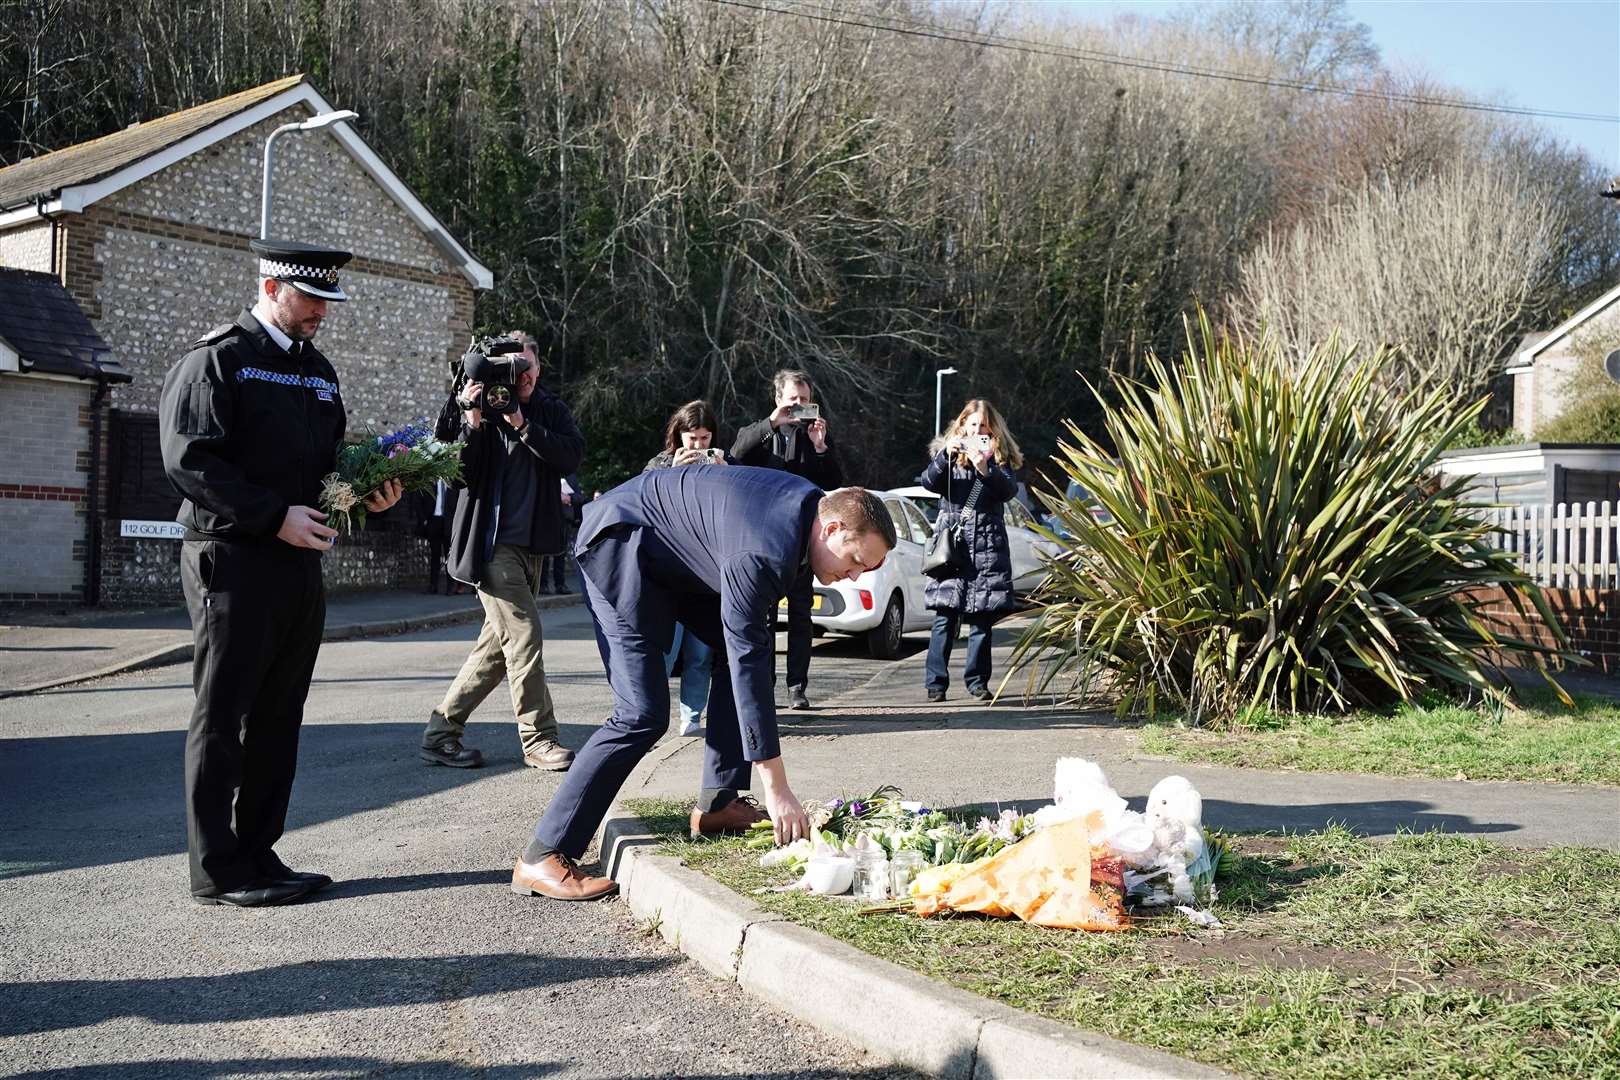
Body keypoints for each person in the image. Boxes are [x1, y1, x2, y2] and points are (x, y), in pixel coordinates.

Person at [510, 470, 897, 900]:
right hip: (619, 545)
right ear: (832, 529)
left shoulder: (806, 513)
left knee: (749, 664)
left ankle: (717, 802)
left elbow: (748, 654)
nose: (856, 574)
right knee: (641, 712)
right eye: (857, 560)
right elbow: (744, 653)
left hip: (675, 560)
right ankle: (544, 852)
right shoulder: (763, 549)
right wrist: (777, 787)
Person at [159, 239, 403, 908]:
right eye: (311, 298)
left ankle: (259, 853)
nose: (322, 311)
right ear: (271, 289)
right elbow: (190, 461)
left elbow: (326, 470)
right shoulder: (217, 361)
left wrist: (370, 495)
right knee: (223, 716)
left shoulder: (317, 371)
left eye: (328, 300)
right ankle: (218, 870)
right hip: (233, 560)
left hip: (298, 565)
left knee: (277, 717)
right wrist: (272, 517)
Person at [418, 329, 585, 772]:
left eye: (526, 366)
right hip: (489, 547)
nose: (521, 376)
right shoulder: (476, 409)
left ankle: (441, 733)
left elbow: (571, 457)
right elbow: (454, 475)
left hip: (532, 546)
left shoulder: (547, 408)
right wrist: (472, 419)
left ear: (538, 366)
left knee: (497, 651)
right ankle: (539, 740)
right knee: (526, 635)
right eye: (512, 369)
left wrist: (523, 423)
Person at [730, 368, 843, 711]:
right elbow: (734, 455)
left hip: (803, 540)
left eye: (805, 401)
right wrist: (771, 423)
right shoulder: (760, 433)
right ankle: (766, 684)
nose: (798, 406)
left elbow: (836, 482)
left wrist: (821, 448)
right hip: (762, 537)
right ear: (778, 399)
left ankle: (798, 688)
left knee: (800, 616)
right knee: (763, 617)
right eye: (792, 400)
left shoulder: (816, 435)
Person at [917, 399, 1025, 703]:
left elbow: (1008, 492)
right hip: (954, 544)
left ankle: (977, 682)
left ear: (994, 432)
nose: (977, 430)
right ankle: (935, 683)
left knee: (981, 620)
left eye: (984, 427)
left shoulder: (999, 461)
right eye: (972, 424)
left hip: (987, 546)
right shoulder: (948, 454)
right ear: (962, 425)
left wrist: (985, 467)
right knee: (945, 617)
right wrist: (945, 457)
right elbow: (928, 483)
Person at [644, 400, 730, 737]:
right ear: (677, 435)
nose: (697, 446)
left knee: (700, 652)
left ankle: (691, 716)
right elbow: (643, 501)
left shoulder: (722, 464)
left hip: (705, 574)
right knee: (663, 651)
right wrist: (671, 472)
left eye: (704, 438)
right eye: (691, 438)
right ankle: (651, 716)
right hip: (667, 572)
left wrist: (725, 473)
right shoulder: (660, 464)